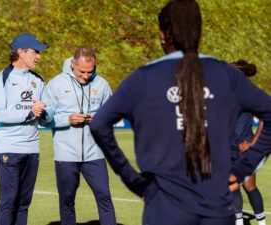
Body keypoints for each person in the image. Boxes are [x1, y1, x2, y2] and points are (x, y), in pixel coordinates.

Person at [89, 0, 271, 224]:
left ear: (163, 34)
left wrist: (133, 180)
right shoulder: (225, 74)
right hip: (218, 206)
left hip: (165, 207)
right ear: (199, 31)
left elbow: (99, 124)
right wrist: (245, 167)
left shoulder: (144, 78)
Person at [43, 48, 116, 225]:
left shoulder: (102, 84)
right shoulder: (56, 84)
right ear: (72, 65)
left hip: (95, 153)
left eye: (90, 72)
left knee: (104, 197)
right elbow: (44, 121)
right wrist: (67, 119)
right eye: (81, 72)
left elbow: (113, 115)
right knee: (67, 200)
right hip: (65, 155)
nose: (85, 76)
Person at [0, 33, 48, 225]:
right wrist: (30, 113)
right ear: (21, 52)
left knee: (24, 203)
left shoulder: (39, 79)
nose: (38, 56)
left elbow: (46, 115)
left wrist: (45, 113)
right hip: (9, 148)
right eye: (35, 52)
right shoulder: (2, 78)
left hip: (32, 149)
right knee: (8, 202)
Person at [229, 60, 266, 225]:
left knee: (250, 187)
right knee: (232, 185)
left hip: (245, 148)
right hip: (226, 148)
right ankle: (238, 222)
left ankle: (262, 223)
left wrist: (252, 144)